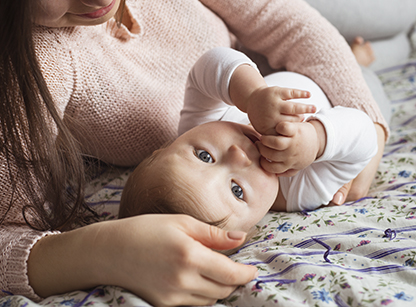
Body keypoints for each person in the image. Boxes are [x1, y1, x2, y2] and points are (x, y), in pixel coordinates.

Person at [0, 0, 389, 306]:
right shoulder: (32, 73)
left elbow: (277, 17)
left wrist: (367, 120)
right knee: (385, 54)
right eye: (237, 190)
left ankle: (366, 58)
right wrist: (104, 251)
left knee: (395, 15)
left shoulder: (205, 119)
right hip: (283, 86)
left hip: (259, 61)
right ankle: (369, 60)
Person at [119, 47, 378, 234]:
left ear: (162, 149)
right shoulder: (300, 191)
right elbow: (364, 133)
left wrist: (252, 94)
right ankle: (361, 62)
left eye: (204, 156)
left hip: (298, 63)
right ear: (246, 231)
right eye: (237, 191)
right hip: (353, 98)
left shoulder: (199, 125)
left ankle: (353, 55)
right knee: (381, 61)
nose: (237, 156)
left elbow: (208, 65)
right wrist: (316, 140)